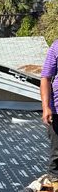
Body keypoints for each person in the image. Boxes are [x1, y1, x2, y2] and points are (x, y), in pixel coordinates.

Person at [41, 41, 58, 180]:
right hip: (57, 111)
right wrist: (46, 107)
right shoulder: (56, 46)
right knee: (56, 156)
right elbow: (45, 78)